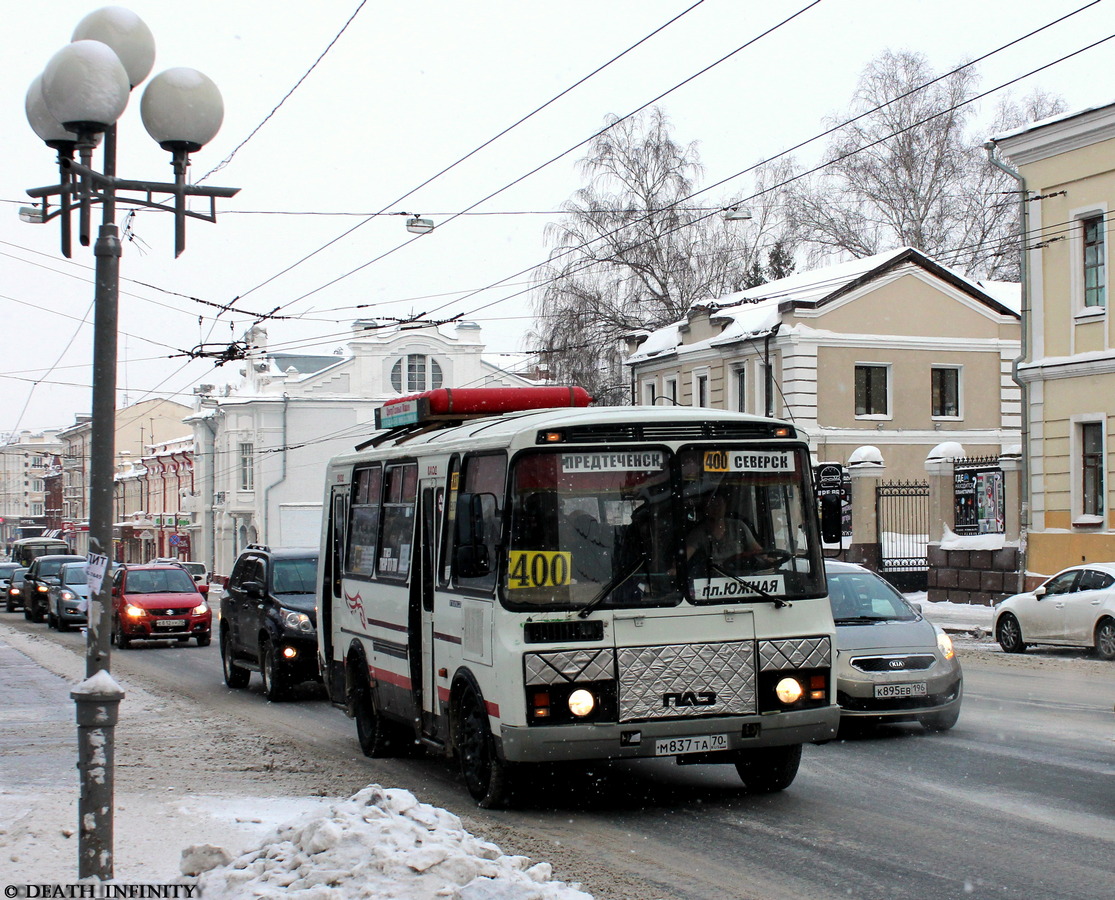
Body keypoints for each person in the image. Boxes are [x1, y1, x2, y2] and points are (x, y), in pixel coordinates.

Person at [685, 491, 766, 574]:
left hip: (740, 578)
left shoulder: (738, 526)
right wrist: (675, 570)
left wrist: (768, 560)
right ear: (705, 508)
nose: (716, 508)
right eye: (712, 504)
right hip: (711, 580)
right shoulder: (699, 532)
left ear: (725, 506)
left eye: (719, 504)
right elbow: (683, 558)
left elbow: (758, 552)